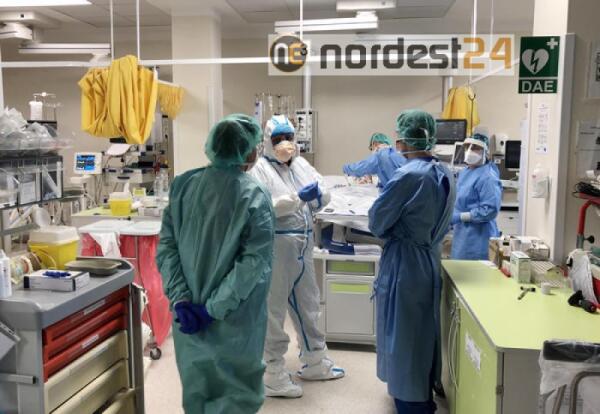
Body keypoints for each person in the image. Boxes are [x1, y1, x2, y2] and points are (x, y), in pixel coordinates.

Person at [156, 114, 275, 413]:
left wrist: (181, 299)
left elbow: (167, 248)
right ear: (247, 150)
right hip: (233, 320)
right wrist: (212, 309)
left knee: (198, 389)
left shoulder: (183, 186)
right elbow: (252, 265)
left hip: (188, 317)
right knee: (236, 394)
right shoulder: (254, 195)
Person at [250, 114, 345, 398]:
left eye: (288, 138)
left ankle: (316, 361)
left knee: (309, 305)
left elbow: (323, 192)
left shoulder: (301, 164)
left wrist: (317, 196)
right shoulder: (259, 170)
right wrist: (297, 199)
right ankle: (272, 374)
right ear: (267, 142)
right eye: (278, 139)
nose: (285, 144)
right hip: (277, 246)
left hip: (304, 243)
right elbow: (263, 206)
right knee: (274, 310)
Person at [368, 109, 456, 414]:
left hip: (405, 264)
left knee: (404, 336)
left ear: (404, 140)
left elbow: (377, 222)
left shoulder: (408, 176)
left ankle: (412, 403)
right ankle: (422, 390)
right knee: (422, 330)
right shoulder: (444, 171)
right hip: (429, 259)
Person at [451, 130, 502, 260]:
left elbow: (490, 210)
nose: (470, 151)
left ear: (485, 152)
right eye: (467, 147)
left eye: (475, 148)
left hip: (479, 237)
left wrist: (461, 216)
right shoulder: (465, 172)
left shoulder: (488, 177)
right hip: (461, 234)